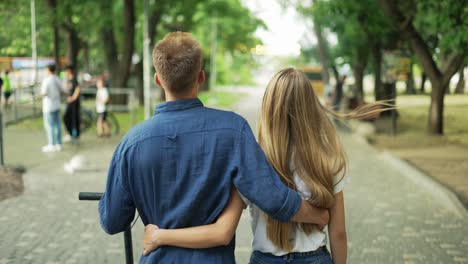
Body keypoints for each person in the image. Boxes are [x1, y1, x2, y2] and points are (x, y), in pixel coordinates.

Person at [98, 32, 330, 264]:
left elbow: (113, 221)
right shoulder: (233, 130)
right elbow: (272, 197)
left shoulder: (131, 143)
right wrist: (317, 215)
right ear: (201, 77)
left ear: (158, 80)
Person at [142, 68, 386, 264]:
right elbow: (339, 232)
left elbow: (221, 231)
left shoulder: (251, 159)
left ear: (269, 108)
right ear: (311, 108)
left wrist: (160, 235)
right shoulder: (329, 158)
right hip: (315, 257)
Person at [40, 64, 66, 152]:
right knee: (57, 125)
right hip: (56, 105)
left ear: (48, 70)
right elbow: (63, 90)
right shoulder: (57, 79)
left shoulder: (46, 80)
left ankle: (52, 144)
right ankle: (59, 144)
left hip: (48, 106)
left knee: (49, 126)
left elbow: (44, 93)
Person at [63, 65, 81, 142]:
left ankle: (75, 135)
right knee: (67, 118)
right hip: (70, 102)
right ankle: (70, 134)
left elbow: (78, 88)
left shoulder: (74, 79)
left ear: (69, 71)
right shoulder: (68, 80)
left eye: (66, 71)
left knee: (73, 118)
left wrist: (73, 98)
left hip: (74, 103)